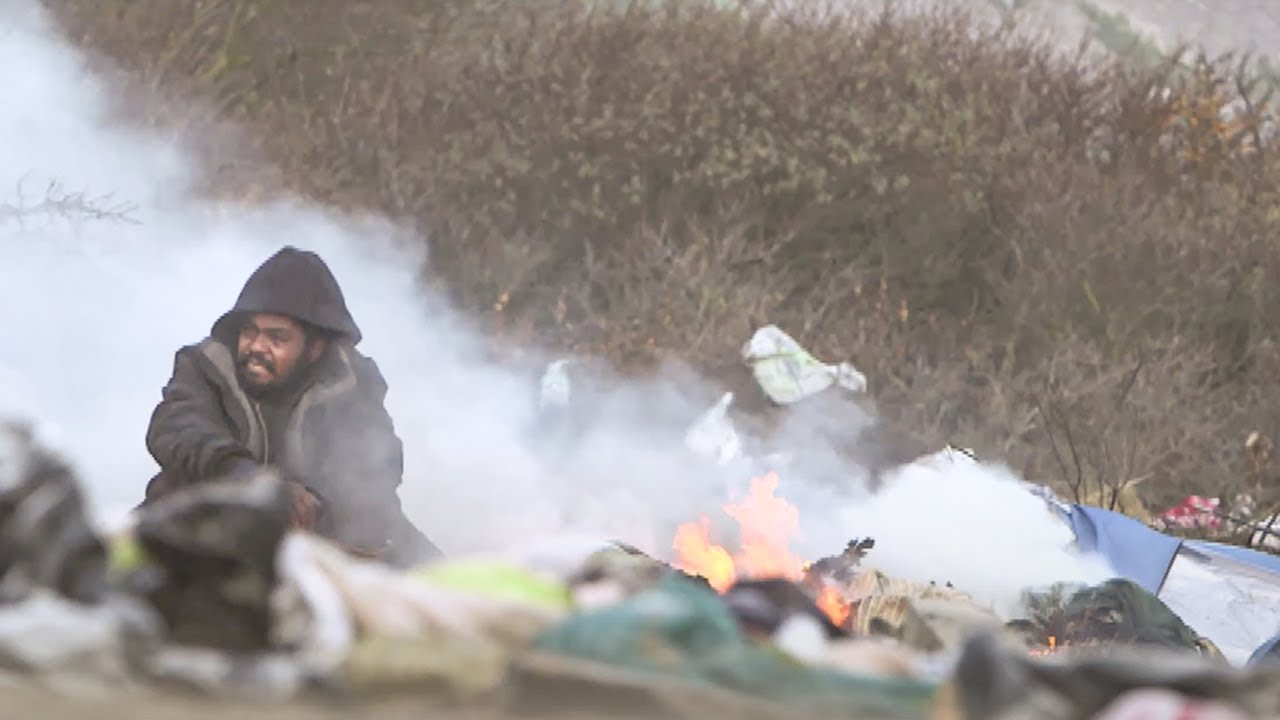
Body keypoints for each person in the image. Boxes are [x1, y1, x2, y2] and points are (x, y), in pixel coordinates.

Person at [141, 245, 441, 567]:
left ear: (315, 348)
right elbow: (177, 426)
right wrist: (247, 477)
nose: (257, 347)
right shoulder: (204, 367)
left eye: (277, 337)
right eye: (249, 331)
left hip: (324, 534)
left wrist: (316, 501)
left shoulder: (354, 381)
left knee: (424, 565)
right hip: (209, 521)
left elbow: (378, 462)